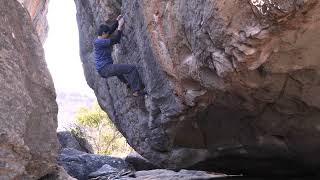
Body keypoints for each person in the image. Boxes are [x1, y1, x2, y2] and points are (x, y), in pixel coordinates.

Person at [93, 15, 146, 97]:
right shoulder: (100, 43)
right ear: (103, 33)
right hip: (105, 68)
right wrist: (120, 27)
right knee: (131, 68)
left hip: (104, 69)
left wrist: (117, 21)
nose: (108, 34)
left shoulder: (100, 38)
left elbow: (110, 31)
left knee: (118, 70)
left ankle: (127, 83)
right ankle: (136, 91)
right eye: (107, 34)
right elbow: (117, 39)